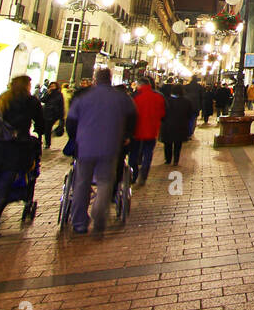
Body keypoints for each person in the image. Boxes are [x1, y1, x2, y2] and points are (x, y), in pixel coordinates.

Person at [64, 68, 136, 234]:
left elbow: (71, 121)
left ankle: (79, 222)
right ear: (110, 79)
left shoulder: (83, 96)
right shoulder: (121, 97)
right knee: (105, 182)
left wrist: (75, 137)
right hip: (110, 145)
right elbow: (132, 117)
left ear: (95, 79)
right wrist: (127, 135)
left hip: (85, 146)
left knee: (82, 183)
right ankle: (99, 214)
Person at [0, 75, 45, 242]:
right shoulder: (30, 101)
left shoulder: (5, 98)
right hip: (16, 148)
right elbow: (40, 122)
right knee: (5, 188)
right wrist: (38, 132)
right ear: (26, 85)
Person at [130, 77, 166, 186]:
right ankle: (144, 174)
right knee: (148, 153)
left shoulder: (134, 96)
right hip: (152, 130)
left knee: (134, 154)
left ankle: (133, 175)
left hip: (136, 131)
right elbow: (164, 114)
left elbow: (129, 113)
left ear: (139, 85)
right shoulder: (159, 96)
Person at [40, 81, 65, 149]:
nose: (52, 87)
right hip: (46, 113)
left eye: (53, 86)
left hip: (54, 114)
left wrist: (61, 116)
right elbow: (42, 100)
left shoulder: (59, 94)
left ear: (56, 87)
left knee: (48, 128)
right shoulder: (48, 93)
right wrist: (48, 93)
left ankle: (47, 143)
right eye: (51, 86)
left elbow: (61, 105)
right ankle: (47, 142)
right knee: (46, 128)